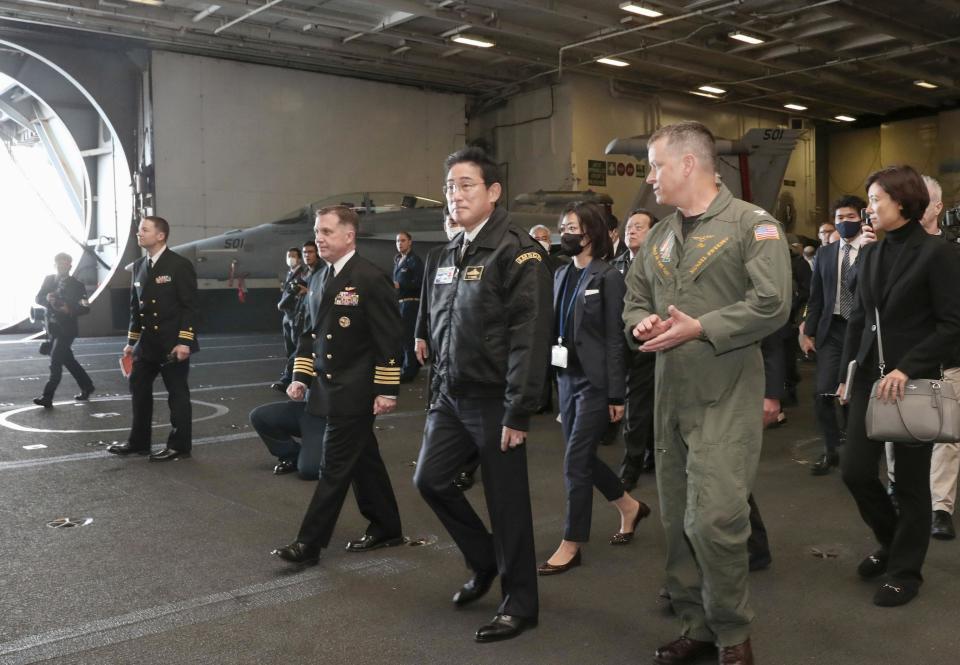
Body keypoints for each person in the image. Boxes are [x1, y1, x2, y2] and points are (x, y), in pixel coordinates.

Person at [622, 121, 790, 665]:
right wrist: (642, 323)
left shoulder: (752, 226)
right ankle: (695, 625)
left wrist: (701, 326)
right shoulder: (662, 236)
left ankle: (733, 634)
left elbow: (772, 303)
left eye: (656, 165)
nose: (650, 178)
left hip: (727, 394)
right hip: (671, 396)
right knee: (676, 523)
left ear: (689, 164)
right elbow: (634, 299)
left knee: (714, 519)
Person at [413, 146, 551, 643]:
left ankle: (521, 604)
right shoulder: (448, 252)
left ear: (493, 192)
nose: (456, 194)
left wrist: (518, 410)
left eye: (467, 185)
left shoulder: (519, 251)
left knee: (507, 502)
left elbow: (528, 338)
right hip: (450, 395)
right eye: (450, 186)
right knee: (430, 480)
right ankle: (485, 560)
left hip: (495, 399)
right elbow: (439, 322)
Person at [836, 165, 960, 607]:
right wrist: (846, 375)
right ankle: (892, 543)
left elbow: (952, 325)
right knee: (854, 470)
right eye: (869, 201)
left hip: (913, 381)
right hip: (869, 378)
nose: (868, 209)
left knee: (909, 483)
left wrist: (908, 367)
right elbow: (858, 319)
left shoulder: (939, 253)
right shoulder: (871, 254)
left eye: (875, 200)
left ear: (902, 202)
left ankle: (906, 570)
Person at [272, 205, 404, 565]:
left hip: (356, 390)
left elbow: (389, 339)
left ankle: (309, 543)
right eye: (318, 231)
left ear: (349, 235)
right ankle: (387, 526)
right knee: (365, 460)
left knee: (333, 466)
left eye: (327, 232)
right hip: (328, 387)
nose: (319, 238)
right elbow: (308, 334)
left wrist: (386, 389)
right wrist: (300, 376)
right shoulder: (317, 278)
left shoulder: (370, 278)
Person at [537, 200, 650, 577]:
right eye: (563, 227)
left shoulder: (608, 277)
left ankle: (573, 542)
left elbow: (616, 341)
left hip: (595, 382)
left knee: (574, 461)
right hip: (566, 379)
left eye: (572, 228)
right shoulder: (561, 275)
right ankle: (629, 506)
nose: (565, 234)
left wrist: (617, 394)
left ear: (591, 234)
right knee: (582, 456)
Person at [107, 216, 199, 462]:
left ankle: (179, 445)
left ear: (160, 236)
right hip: (147, 344)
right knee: (138, 387)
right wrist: (130, 342)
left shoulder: (179, 265)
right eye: (139, 230)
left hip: (172, 343)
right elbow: (135, 309)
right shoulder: (138, 265)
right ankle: (138, 442)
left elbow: (190, 307)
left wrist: (185, 341)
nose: (139, 234)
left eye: (145, 230)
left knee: (177, 394)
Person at [800, 195, 868, 475]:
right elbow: (816, 297)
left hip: (861, 331)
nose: (844, 223)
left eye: (850, 217)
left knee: (852, 393)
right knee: (822, 394)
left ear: (862, 219)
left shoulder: (872, 249)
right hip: (833, 328)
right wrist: (808, 331)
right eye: (839, 218)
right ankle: (830, 450)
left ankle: (856, 451)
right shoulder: (825, 254)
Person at [612, 208, 659, 488]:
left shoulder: (661, 266)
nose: (631, 230)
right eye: (629, 226)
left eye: (639, 226)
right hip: (620, 346)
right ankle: (646, 456)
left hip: (648, 345)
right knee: (638, 406)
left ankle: (631, 467)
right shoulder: (615, 265)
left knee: (639, 408)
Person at [32, 252, 95, 408]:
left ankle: (47, 397)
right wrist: (47, 299)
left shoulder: (78, 285)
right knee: (69, 361)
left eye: (65, 264)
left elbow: (85, 308)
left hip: (67, 330)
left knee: (55, 362)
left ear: (70, 266)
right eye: (59, 263)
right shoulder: (48, 280)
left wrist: (69, 310)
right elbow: (38, 298)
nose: (62, 266)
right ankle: (87, 386)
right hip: (52, 329)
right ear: (55, 265)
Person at [249, 400, 325, 479]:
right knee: (259, 416)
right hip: (311, 409)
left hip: (333, 417)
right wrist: (300, 387)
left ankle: (332, 454)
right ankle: (293, 457)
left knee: (310, 471)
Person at [272, 247, 307, 392]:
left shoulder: (303, 274)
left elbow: (294, 294)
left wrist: (282, 304)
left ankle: (287, 379)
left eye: (293, 256)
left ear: (299, 258)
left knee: (297, 349)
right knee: (290, 349)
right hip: (288, 316)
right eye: (288, 256)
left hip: (296, 315)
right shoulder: (289, 273)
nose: (290, 258)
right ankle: (292, 376)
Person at [394, 231, 425, 383]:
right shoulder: (398, 259)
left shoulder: (414, 260)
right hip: (400, 303)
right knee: (402, 337)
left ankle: (409, 370)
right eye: (398, 241)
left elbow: (420, 282)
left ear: (410, 242)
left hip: (411, 302)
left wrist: (401, 284)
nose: (400, 243)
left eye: (403, 240)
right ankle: (410, 365)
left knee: (408, 338)